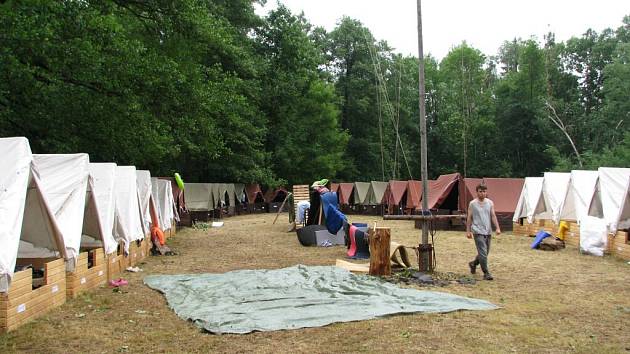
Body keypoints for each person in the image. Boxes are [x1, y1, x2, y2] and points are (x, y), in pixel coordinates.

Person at [466, 184, 501, 280]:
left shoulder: (490, 203)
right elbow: (469, 217)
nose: (482, 193)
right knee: (483, 252)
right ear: (477, 192)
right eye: (480, 191)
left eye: (484, 191)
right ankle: (486, 273)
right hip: (477, 230)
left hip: (488, 231)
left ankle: (473, 264)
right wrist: (468, 231)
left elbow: (493, 215)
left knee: (485, 252)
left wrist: (497, 228)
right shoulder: (472, 203)